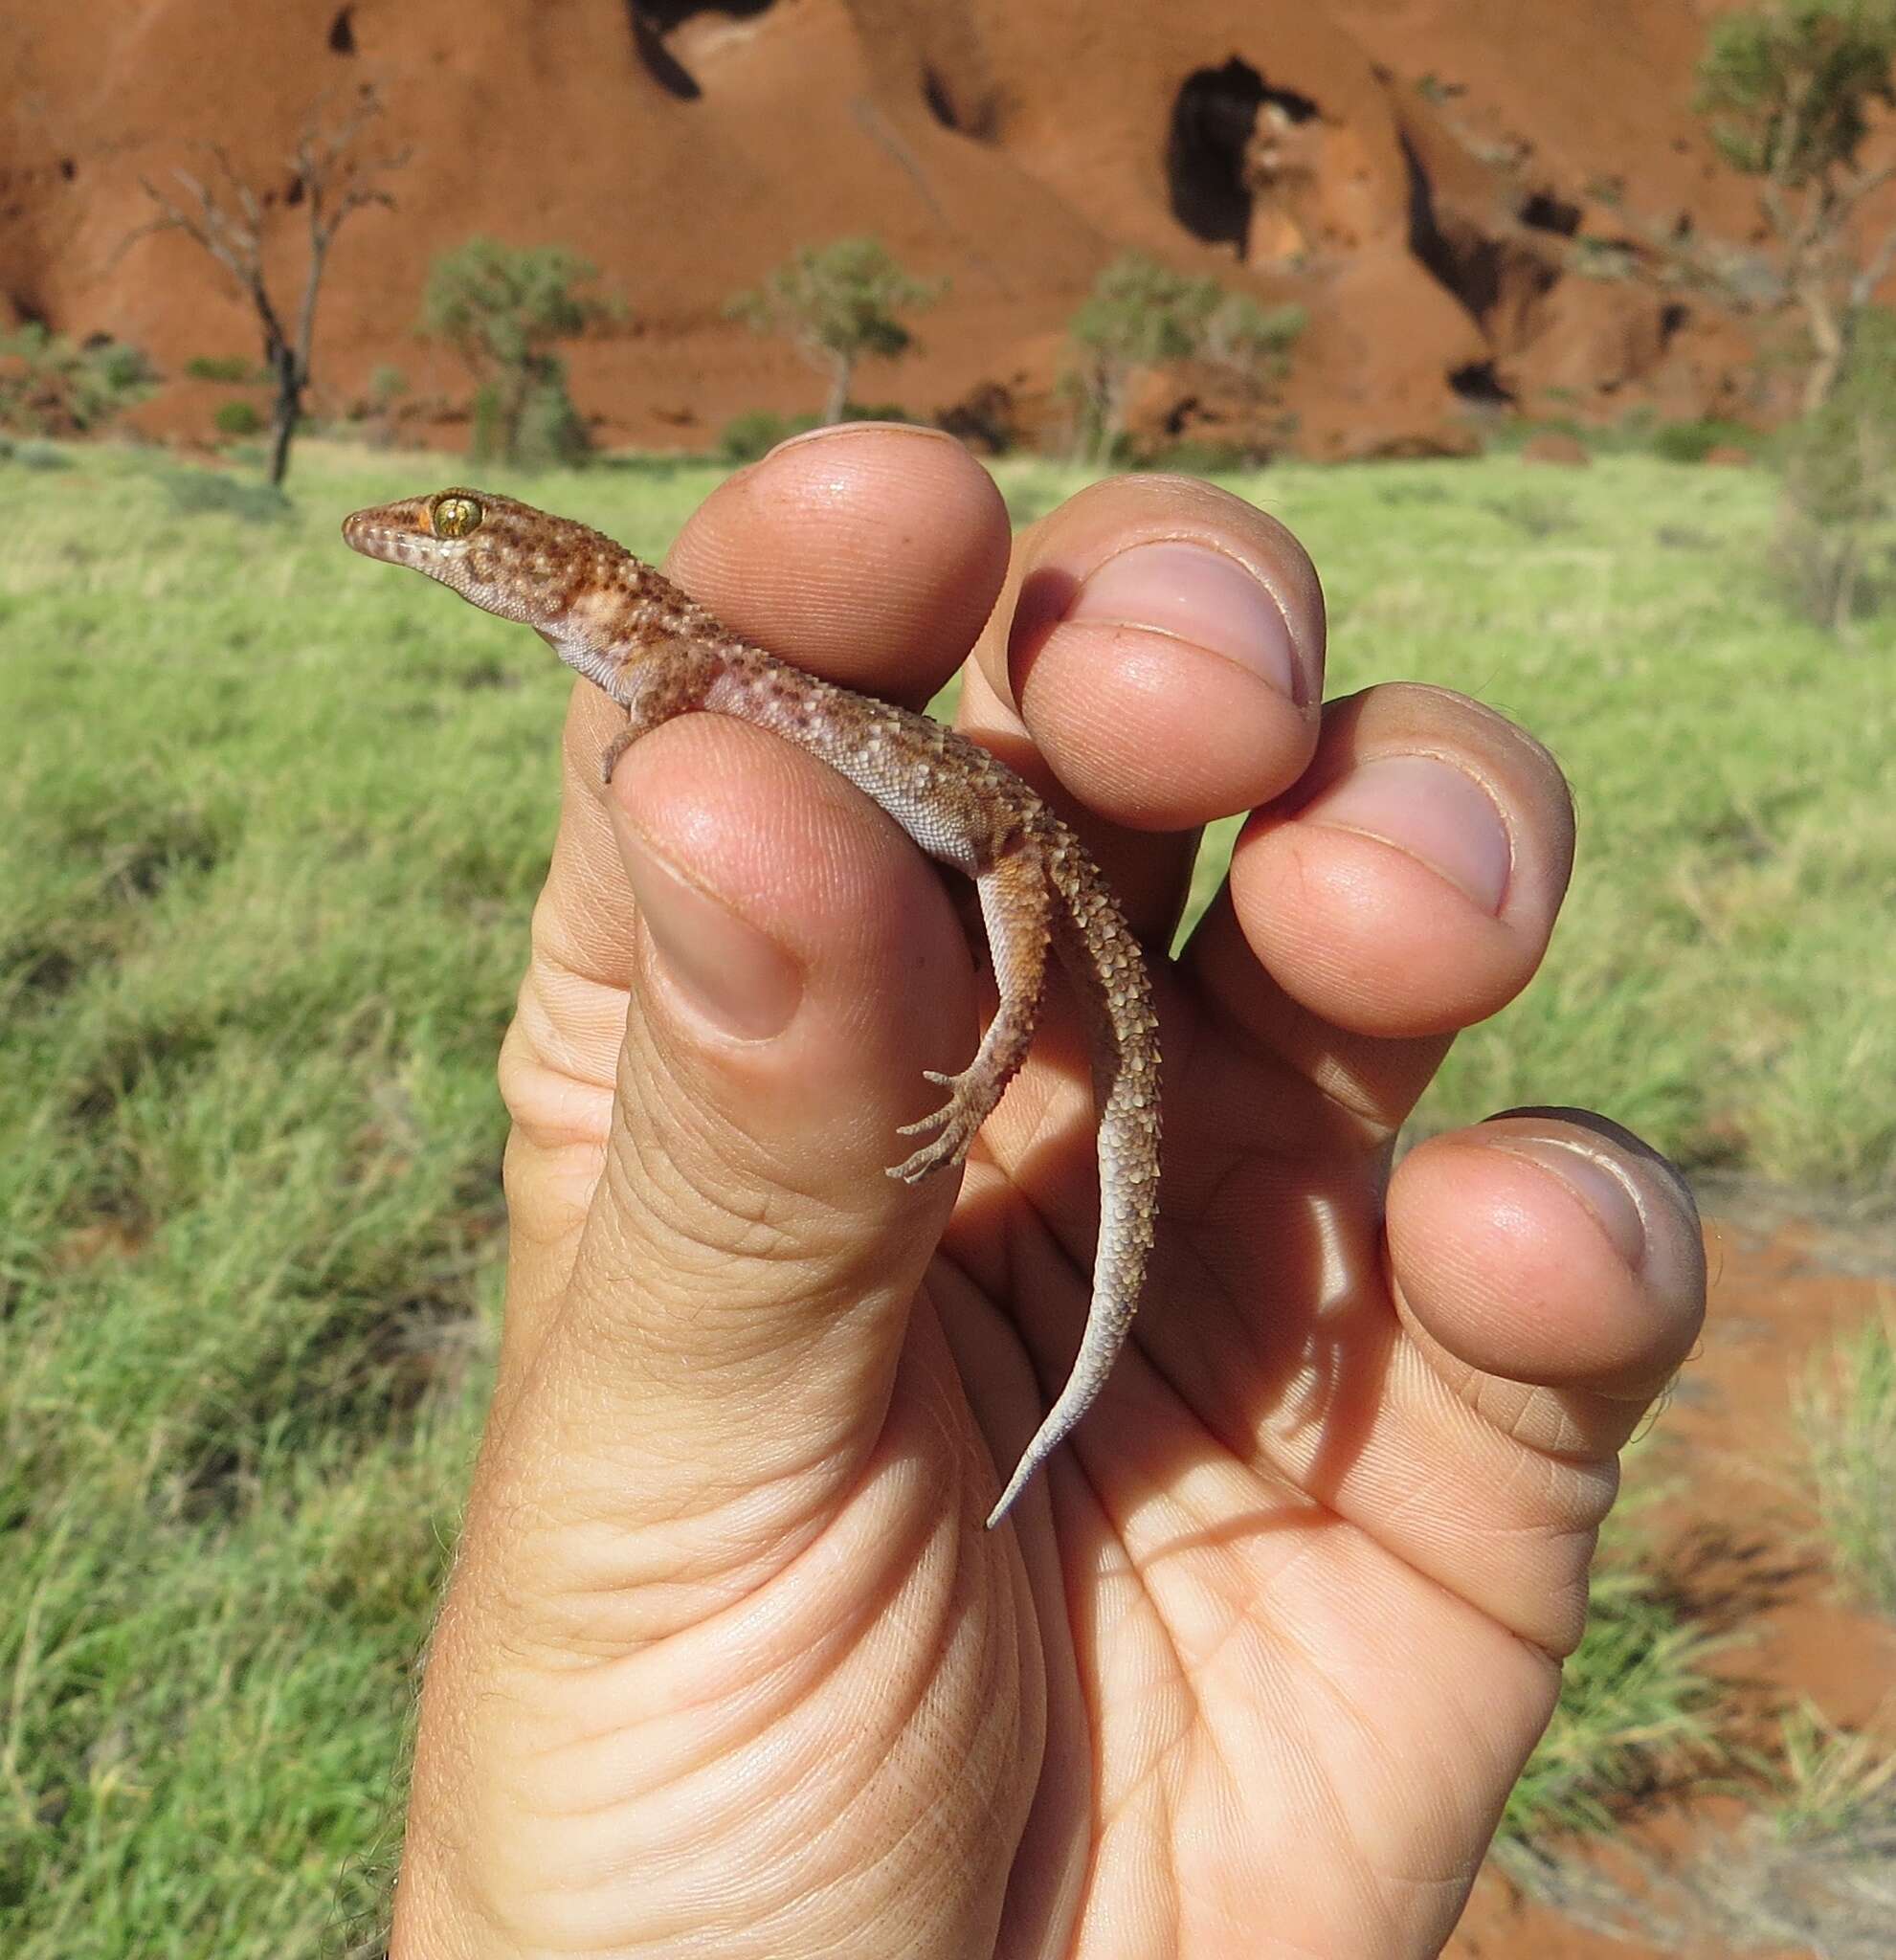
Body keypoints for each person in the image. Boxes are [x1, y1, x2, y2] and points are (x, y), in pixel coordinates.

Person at [387, 425, 1706, 1957]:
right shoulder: (656, 660)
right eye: (446, 530)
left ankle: (1013, 1057)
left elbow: (702, 716)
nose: (439, 543)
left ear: (557, 557)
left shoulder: (663, 655)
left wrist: (999, 1048)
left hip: (1006, 837)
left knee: (1073, 1010)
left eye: (459, 525)